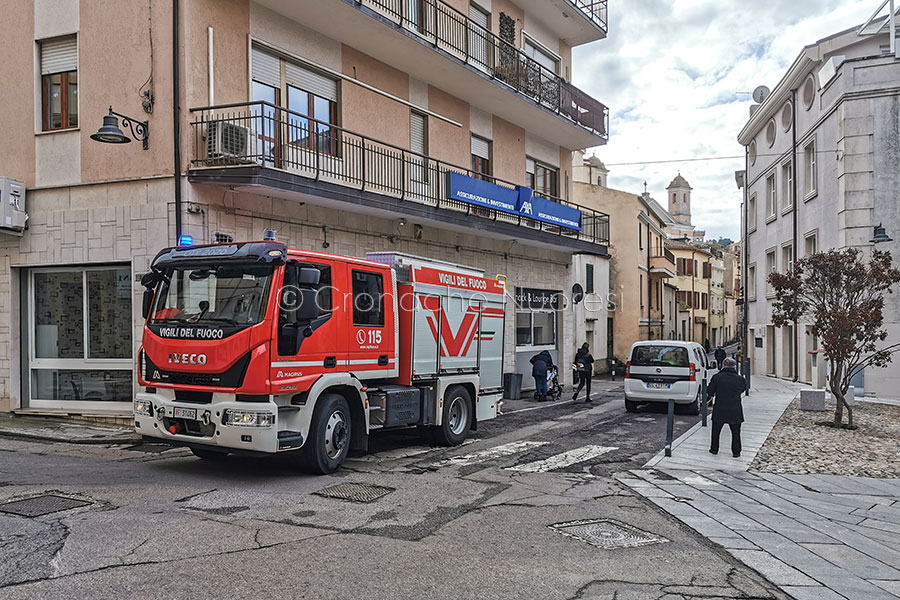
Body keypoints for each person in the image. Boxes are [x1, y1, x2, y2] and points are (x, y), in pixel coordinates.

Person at [707, 357, 748, 457]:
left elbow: (710, 391)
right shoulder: (740, 379)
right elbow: (743, 388)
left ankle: (714, 449)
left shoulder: (716, 377)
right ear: (734, 366)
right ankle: (736, 452)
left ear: (724, 366)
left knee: (716, 431)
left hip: (720, 407)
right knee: (736, 432)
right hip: (735, 408)